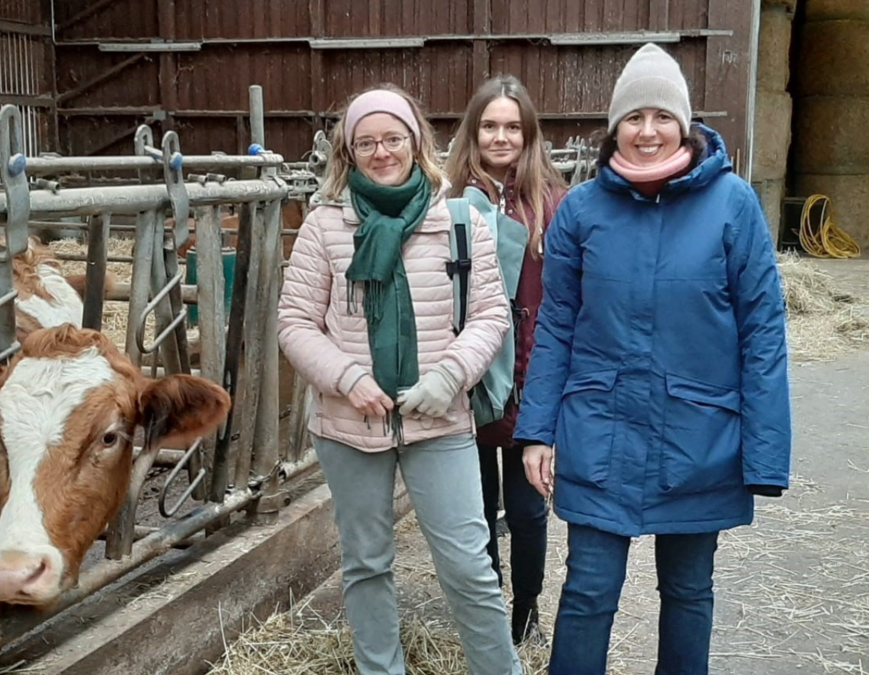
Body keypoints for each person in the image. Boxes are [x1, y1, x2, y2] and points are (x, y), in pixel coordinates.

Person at [513, 43, 792, 674]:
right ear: (615, 126)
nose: (647, 131)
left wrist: (765, 452)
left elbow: (763, 332)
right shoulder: (582, 210)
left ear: (685, 124)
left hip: (699, 437)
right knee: (587, 590)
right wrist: (536, 431)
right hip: (598, 430)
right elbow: (557, 324)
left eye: (661, 117)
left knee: (689, 592)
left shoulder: (732, 204)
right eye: (633, 118)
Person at [278, 84, 522, 675]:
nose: (380, 151)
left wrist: (451, 375)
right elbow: (294, 322)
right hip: (349, 423)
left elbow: (492, 312)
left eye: (392, 138)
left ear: (416, 141)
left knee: (468, 562)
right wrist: (346, 377)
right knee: (365, 563)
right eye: (366, 142)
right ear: (348, 151)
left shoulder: (459, 219)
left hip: (440, 420)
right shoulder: (325, 225)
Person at [445, 74, 568, 646]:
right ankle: (490, 609)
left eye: (512, 127)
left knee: (527, 509)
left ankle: (527, 610)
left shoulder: (551, 203)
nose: (500, 137)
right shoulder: (447, 201)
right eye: (489, 126)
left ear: (528, 133)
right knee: (476, 510)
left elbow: (566, 297)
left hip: (530, 376)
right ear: (474, 132)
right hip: (469, 377)